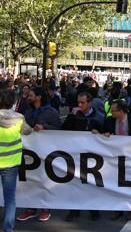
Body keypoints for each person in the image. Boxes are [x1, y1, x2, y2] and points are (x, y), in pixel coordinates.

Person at [17, 87, 61, 223]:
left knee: (44, 180)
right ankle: (31, 208)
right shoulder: (28, 111)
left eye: (31, 95)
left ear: (39, 97)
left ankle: (45, 209)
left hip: (45, 152)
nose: (28, 97)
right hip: (30, 153)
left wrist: (45, 128)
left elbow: (59, 128)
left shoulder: (51, 112)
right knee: (30, 181)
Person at [62, 92, 104, 222]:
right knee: (75, 183)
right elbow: (63, 131)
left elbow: (107, 134)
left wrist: (100, 133)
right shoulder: (74, 115)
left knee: (91, 184)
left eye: (82, 103)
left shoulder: (99, 117)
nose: (79, 105)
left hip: (92, 157)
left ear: (89, 103)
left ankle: (93, 209)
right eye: (78, 102)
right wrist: (71, 116)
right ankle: (74, 210)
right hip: (75, 155)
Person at [102, 99, 131, 221]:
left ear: (121, 111)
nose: (111, 113)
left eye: (113, 111)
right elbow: (101, 130)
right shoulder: (109, 121)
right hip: (115, 157)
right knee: (117, 183)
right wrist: (104, 133)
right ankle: (118, 208)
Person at [0, 88, 33, 232]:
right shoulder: (19, 118)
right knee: (9, 199)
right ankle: (8, 228)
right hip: (11, 163)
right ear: (13, 102)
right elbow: (28, 130)